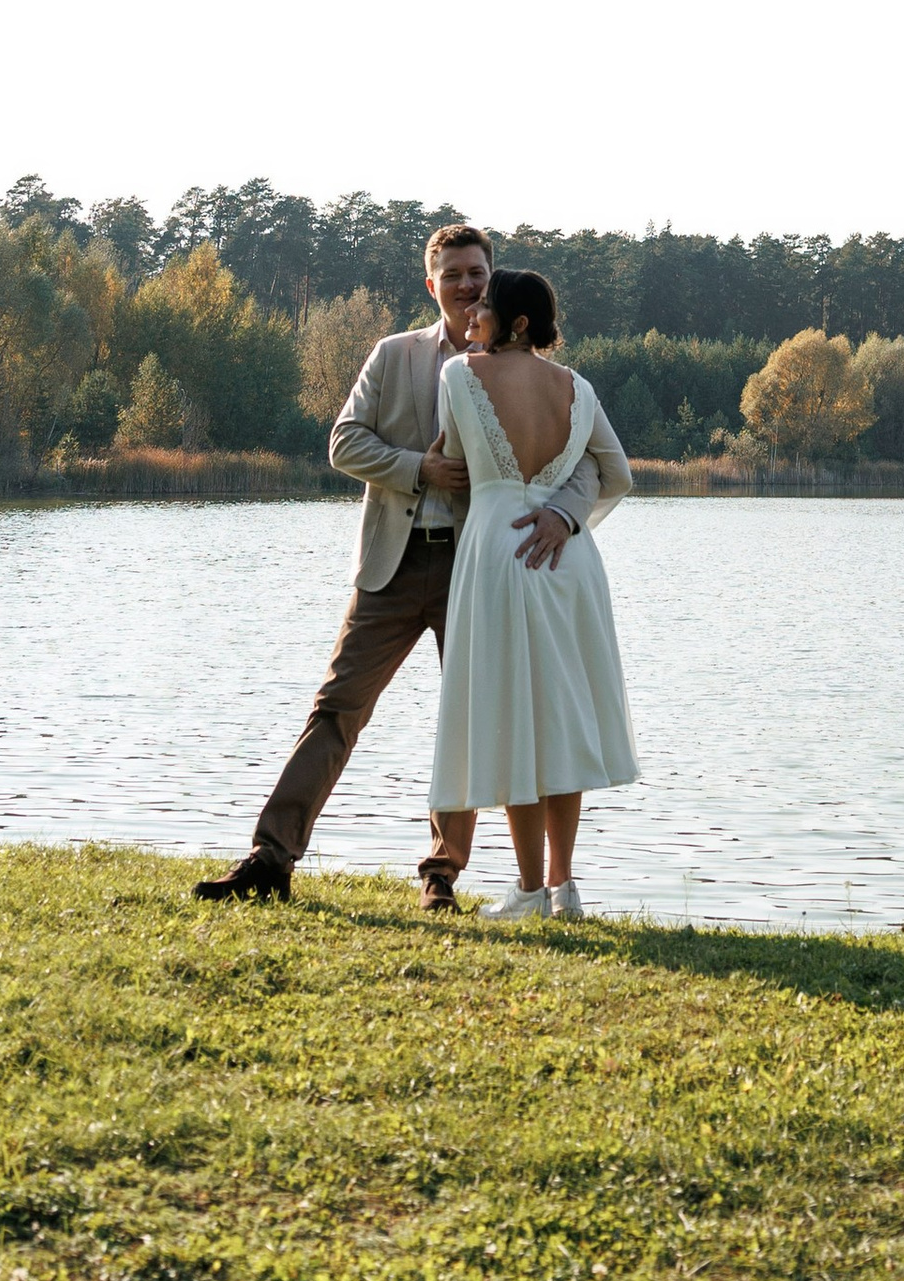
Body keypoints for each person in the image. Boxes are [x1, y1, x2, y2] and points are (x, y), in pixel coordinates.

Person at [196, 222, 627, 913]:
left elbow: (580, 468)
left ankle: (441, 876)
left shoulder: (537, 375)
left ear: (492, 281)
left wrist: (563, 515)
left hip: (482, 567)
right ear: (432, 285)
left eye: (476, 275)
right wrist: (416, 469)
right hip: (391, 564)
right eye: (452, 274)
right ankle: (270, 857)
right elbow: (343, 442)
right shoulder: (394, 355)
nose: (465, 285)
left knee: (479, 716)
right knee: (336, 709)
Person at [429, 265, 637, 921]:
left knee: (515, 718)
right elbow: (617, 473)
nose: (470, 317)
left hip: (499, 549)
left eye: (483, 308)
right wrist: (564, 509)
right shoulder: (577, 387)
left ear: (516, 322)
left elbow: (454, 454)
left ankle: (527, 890)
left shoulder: (459, 376)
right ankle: (564, 886)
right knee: (558, 721)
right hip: (566, 559)